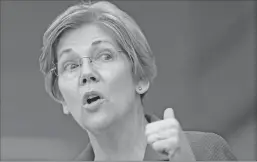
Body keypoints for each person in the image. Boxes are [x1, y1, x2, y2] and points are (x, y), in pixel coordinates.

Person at [39, 0, 237, 161]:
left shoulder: (204, 152)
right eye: (71, 65)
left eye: (104, 56)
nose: (86, 73)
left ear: (140, 77)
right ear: (63, 100)